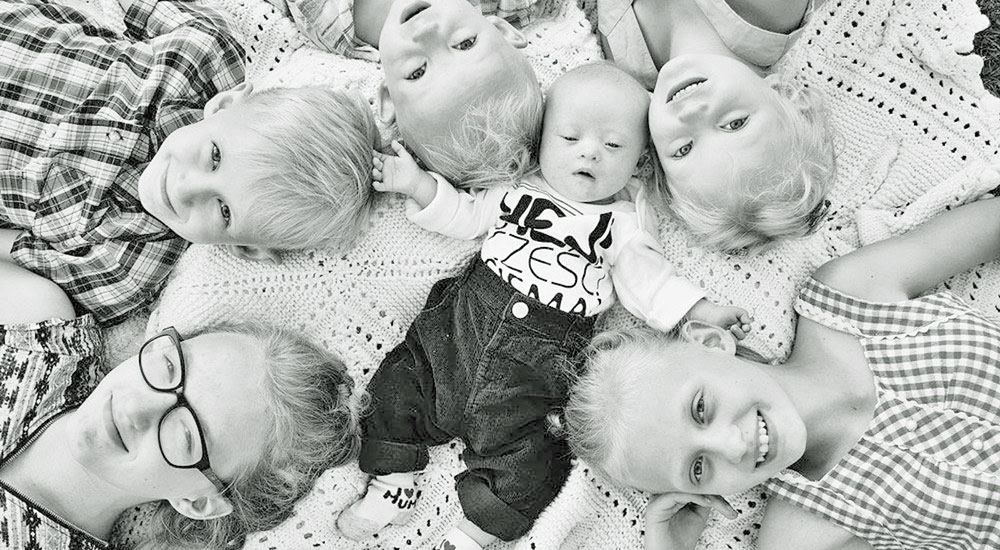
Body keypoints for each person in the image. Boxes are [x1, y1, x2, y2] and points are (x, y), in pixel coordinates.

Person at [335, 62, 751, 550]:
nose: (590, 152)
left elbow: (651, 284)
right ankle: (393, 482)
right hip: (461, 331)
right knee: (401, 381)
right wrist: (415, 184)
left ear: (639, 161)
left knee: (536, 460)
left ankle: (472, 535)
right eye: (570, 137)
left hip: (536, 368)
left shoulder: (622, 224)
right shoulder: (516, 188)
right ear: (542, 139)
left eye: (613, 145)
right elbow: (463, 215)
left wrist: (699, 312)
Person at [562, 192, 1000, 549]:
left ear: (711, 342)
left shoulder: (847, 296)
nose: (732, 446)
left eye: (700, 408)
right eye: (698, 469)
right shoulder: (805, 529)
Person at [0, 0, 380, 326]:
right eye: (214, 156)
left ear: (246, 249)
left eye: (224, 210)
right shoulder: (201, 55)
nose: (185, 188)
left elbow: (15, 253)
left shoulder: (127, 267)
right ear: (225, 104)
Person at [0, 260, 364, 550]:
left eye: (185, 435)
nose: (136, 407)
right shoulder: (34, 332)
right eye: (169, 366)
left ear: (198, 502)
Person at [594, 0, 836, 250]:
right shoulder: (771, 11)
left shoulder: (623, 63)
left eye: (684, 149)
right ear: (783, 94)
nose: (691, 112)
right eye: (735, 124)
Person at [272, 0, 547, 189]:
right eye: (465, 43)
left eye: (417, 72)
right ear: (500, 29)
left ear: (388, 97)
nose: (426, 31)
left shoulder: (323, 20)